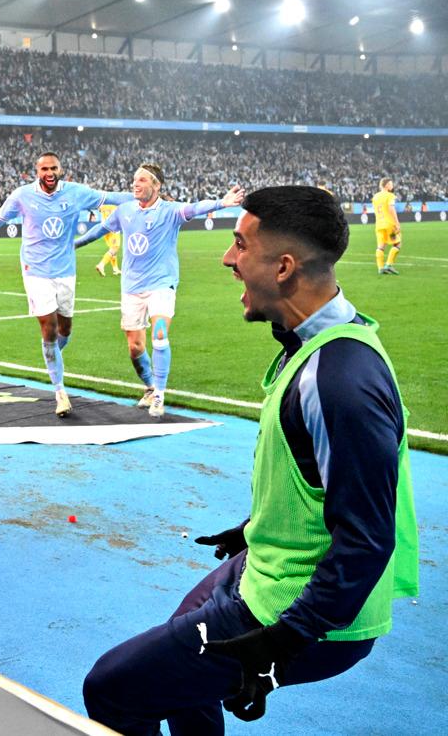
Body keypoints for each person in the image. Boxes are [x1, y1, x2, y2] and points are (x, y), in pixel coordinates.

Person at [82, 186, 418, 734]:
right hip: (269, 569)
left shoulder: (338, 381)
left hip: (305, 611)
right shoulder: (317, 344)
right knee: (177, 664)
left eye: (240, 245)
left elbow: (367, 541)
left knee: (113, 690)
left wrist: (276, 646)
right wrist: (254, 529)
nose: (226, 258)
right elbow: (318, 481)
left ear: (284, 267)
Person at [0, 152, 130, 417]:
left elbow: (111, 197)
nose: (49, 173)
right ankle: (60, 392)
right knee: (49, 327)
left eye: (53, 168)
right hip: (36, 270)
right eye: (44, 169)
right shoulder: (22, 195)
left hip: (65, 270)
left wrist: (146, 196)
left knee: (65, 328)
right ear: (37, 171)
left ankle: (51, 354)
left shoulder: (76, 193)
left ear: (60, 169)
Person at [75, 164, 244, 417]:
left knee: (160, 334)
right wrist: (71, 246)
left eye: (142, 180)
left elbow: (196, 207)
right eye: (134, 179)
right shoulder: (125, 211)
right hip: (132, 286)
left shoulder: (170, 211)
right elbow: (98, 231)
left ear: (156, 186)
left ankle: (160, 396)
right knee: (135, 347)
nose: (136, 184)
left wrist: (222, 202)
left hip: (161, 284)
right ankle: (150, 387)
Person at [371, 177, 401, 275]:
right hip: (389, 225)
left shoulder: (375, 196)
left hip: (379, 225)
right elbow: (391, 209)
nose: (392, 186)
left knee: (380, 246)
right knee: (397, 244)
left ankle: (380, 268)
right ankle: (389, 265)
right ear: (387, 185)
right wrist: (397, 223)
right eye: (391, 184)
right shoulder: (390, 196)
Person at [94, 202, 121, 276]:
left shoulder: (103, 206)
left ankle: (115, 269)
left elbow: (99, 209)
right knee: (115, 248)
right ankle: (101, 265)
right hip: (113, 229)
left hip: (105, 229)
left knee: (112, 249)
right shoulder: (116, 205)